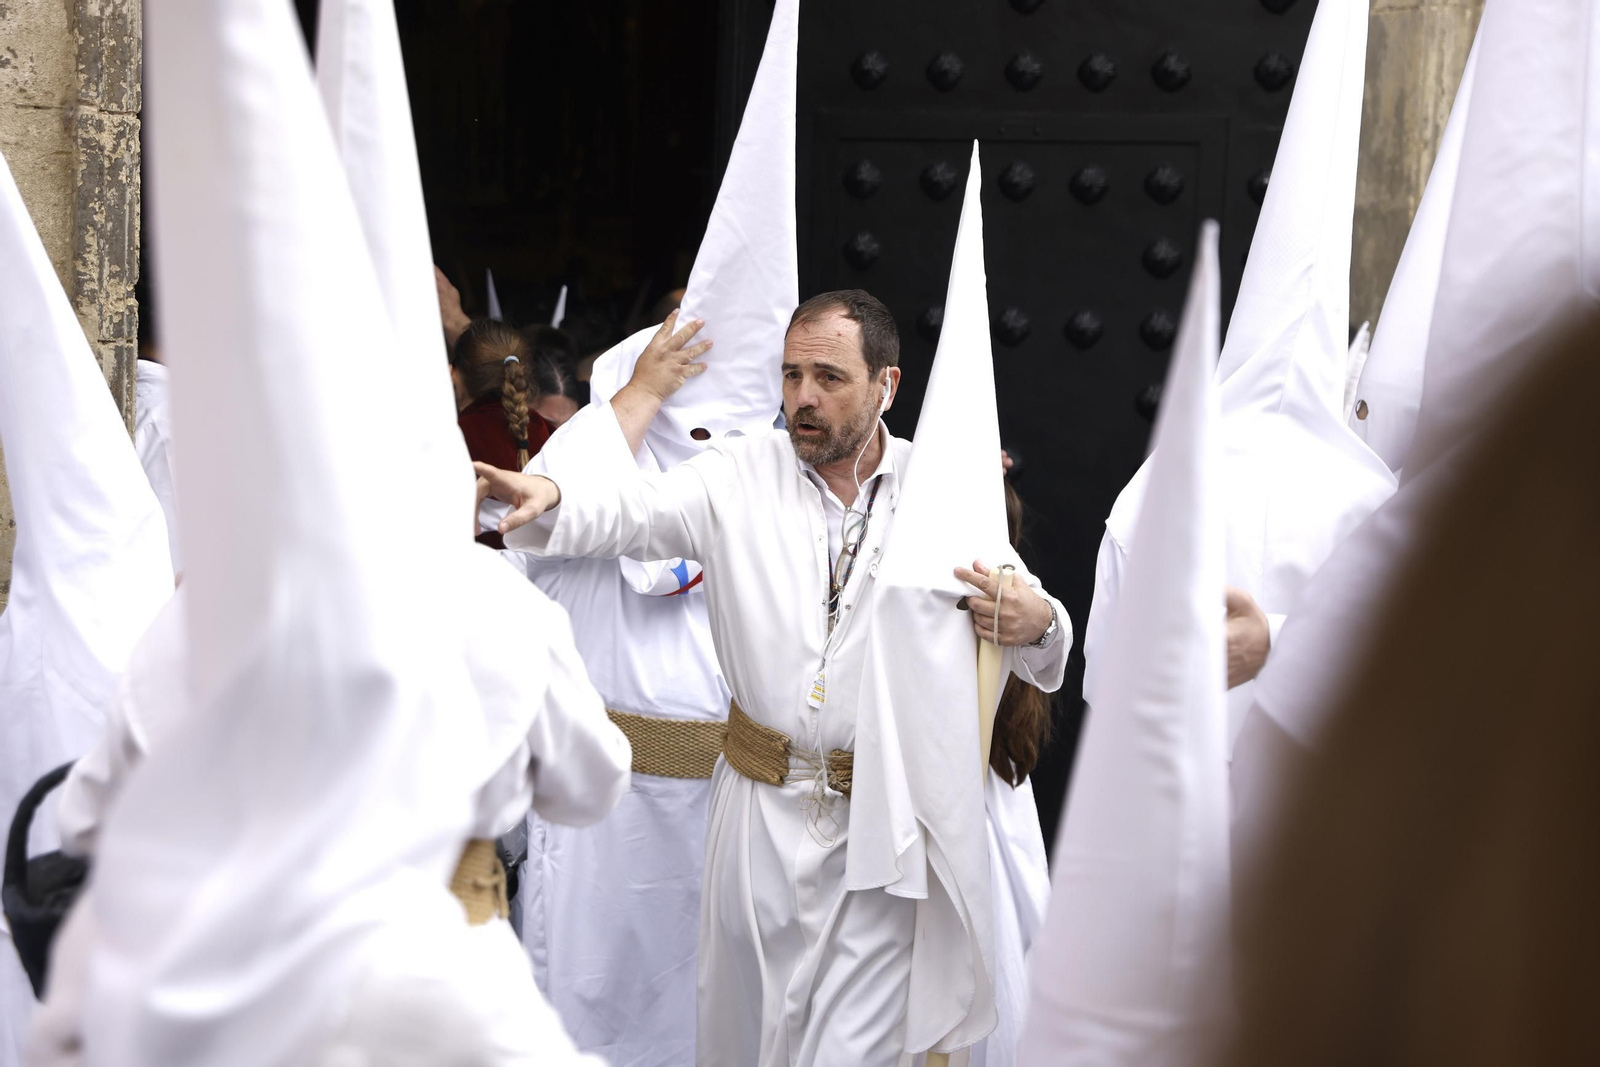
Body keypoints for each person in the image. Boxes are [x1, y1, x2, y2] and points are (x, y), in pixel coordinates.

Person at [476, 288, 1071, 1066]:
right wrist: (551, 495)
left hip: (878, 834)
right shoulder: (736, 471)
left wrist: (1040, 623)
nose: (803, 399)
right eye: (791, 376)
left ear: (885, 387)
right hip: (755, 820)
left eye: (829, 377)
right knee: (752, 1039)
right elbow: (630, 513)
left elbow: (1038, 623)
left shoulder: (941, 490)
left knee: (850, 1049)